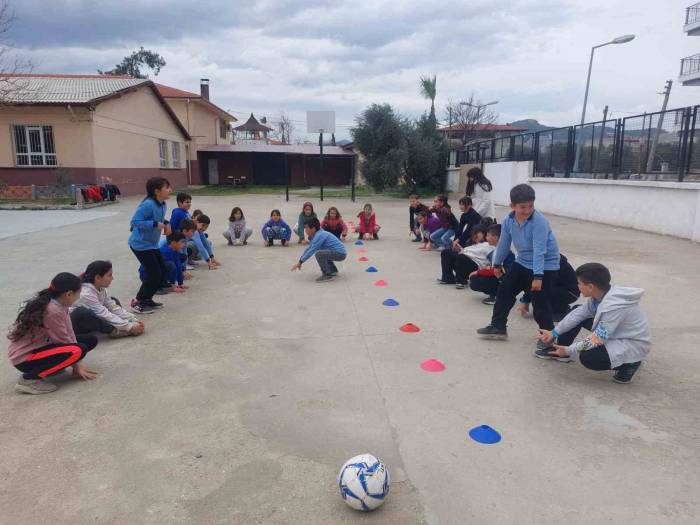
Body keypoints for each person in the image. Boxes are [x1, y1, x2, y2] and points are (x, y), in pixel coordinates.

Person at [536, 263, 651, 384]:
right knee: (577, 310)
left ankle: (630, 364)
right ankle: (561, 350)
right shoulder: (599, 296)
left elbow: (597, 339)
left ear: (590, 287)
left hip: (631, 343)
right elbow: (578, 314)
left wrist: (570, 350)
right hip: (615, 332)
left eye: (579, 283)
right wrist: (554, 332)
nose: (577, 286)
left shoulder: (614, 307)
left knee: (588, 357)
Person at [477, 184, 560, 340]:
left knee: (540, 306)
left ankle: (549, 339)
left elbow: (539, 250)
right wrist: (497, 264)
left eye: (531, 206)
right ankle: (498, 326)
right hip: (522, 261)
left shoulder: (539, 222)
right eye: (523, 207)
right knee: (504, 292)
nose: (527, 210)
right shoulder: (508, 221)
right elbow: (503, 243)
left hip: (545, 266)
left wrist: (538, 277)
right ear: (512, 206)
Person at [7, 273, 99, 394]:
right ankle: (28, 380)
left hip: (42, 346)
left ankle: (51, 366)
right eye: (78, 293)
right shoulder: (52, 310)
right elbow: (62, 340)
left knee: (89, 341)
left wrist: (77, 361)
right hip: (25, 358)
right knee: (77, 350)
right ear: (69, 294)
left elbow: (69, 331)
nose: (79, 297)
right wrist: (77, 365)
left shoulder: (59, 303)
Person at [128, 177, 171, 314]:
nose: (170, 190)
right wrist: (154, 224)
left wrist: (166, 223)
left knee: (162, 270)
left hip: (152, 244)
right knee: (154, 273)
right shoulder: (148, 204)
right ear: (157, 191)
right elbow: (135, 222)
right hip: (140, 244)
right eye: (167, 187)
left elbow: (159, 219)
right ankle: (139, 302)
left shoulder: (163, 204)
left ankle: (147, 299)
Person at [71, 261, 145, 338]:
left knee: (114, 301)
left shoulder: (100, 288)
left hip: (96, 316)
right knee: (84, 313)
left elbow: (112, 307)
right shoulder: (86, 294)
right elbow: (104, 314)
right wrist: (129, 327)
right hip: (78, 326)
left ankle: (117, 327)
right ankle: (115, 332)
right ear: (98, 278)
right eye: (109, 275)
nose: (112, 278)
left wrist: (132, 319)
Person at [518, 254, 580, 322]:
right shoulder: (541, 258)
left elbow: (539, 283)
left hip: (570, 292)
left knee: (541, 289)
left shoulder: (551, 261)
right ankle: (557, 308)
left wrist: (526, 300)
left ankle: (561, 310)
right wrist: (525, 300)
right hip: (560, 288)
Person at [468, 224, 515, 303]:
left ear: (495, 237)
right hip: (502, 276)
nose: (486, 238)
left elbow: (498, 271)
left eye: (488, 236)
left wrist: (478, 271)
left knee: (475, 280)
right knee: (475, 278)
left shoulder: (504, 251)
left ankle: (499, 295)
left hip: (506, 280)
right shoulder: (498, 248)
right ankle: (496, 293)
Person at [291, 217, 348, 282]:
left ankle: (327, 275)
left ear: (313, 229)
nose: (305, 230)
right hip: (339, 252)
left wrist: (301, 262)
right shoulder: (318, 234)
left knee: (319, 254)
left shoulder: (319, 235)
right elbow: (308, 248)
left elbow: (311, 251)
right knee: (323, 252)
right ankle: (333, 270)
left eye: (306, 228)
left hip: (340, 253)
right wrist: (300, 261)